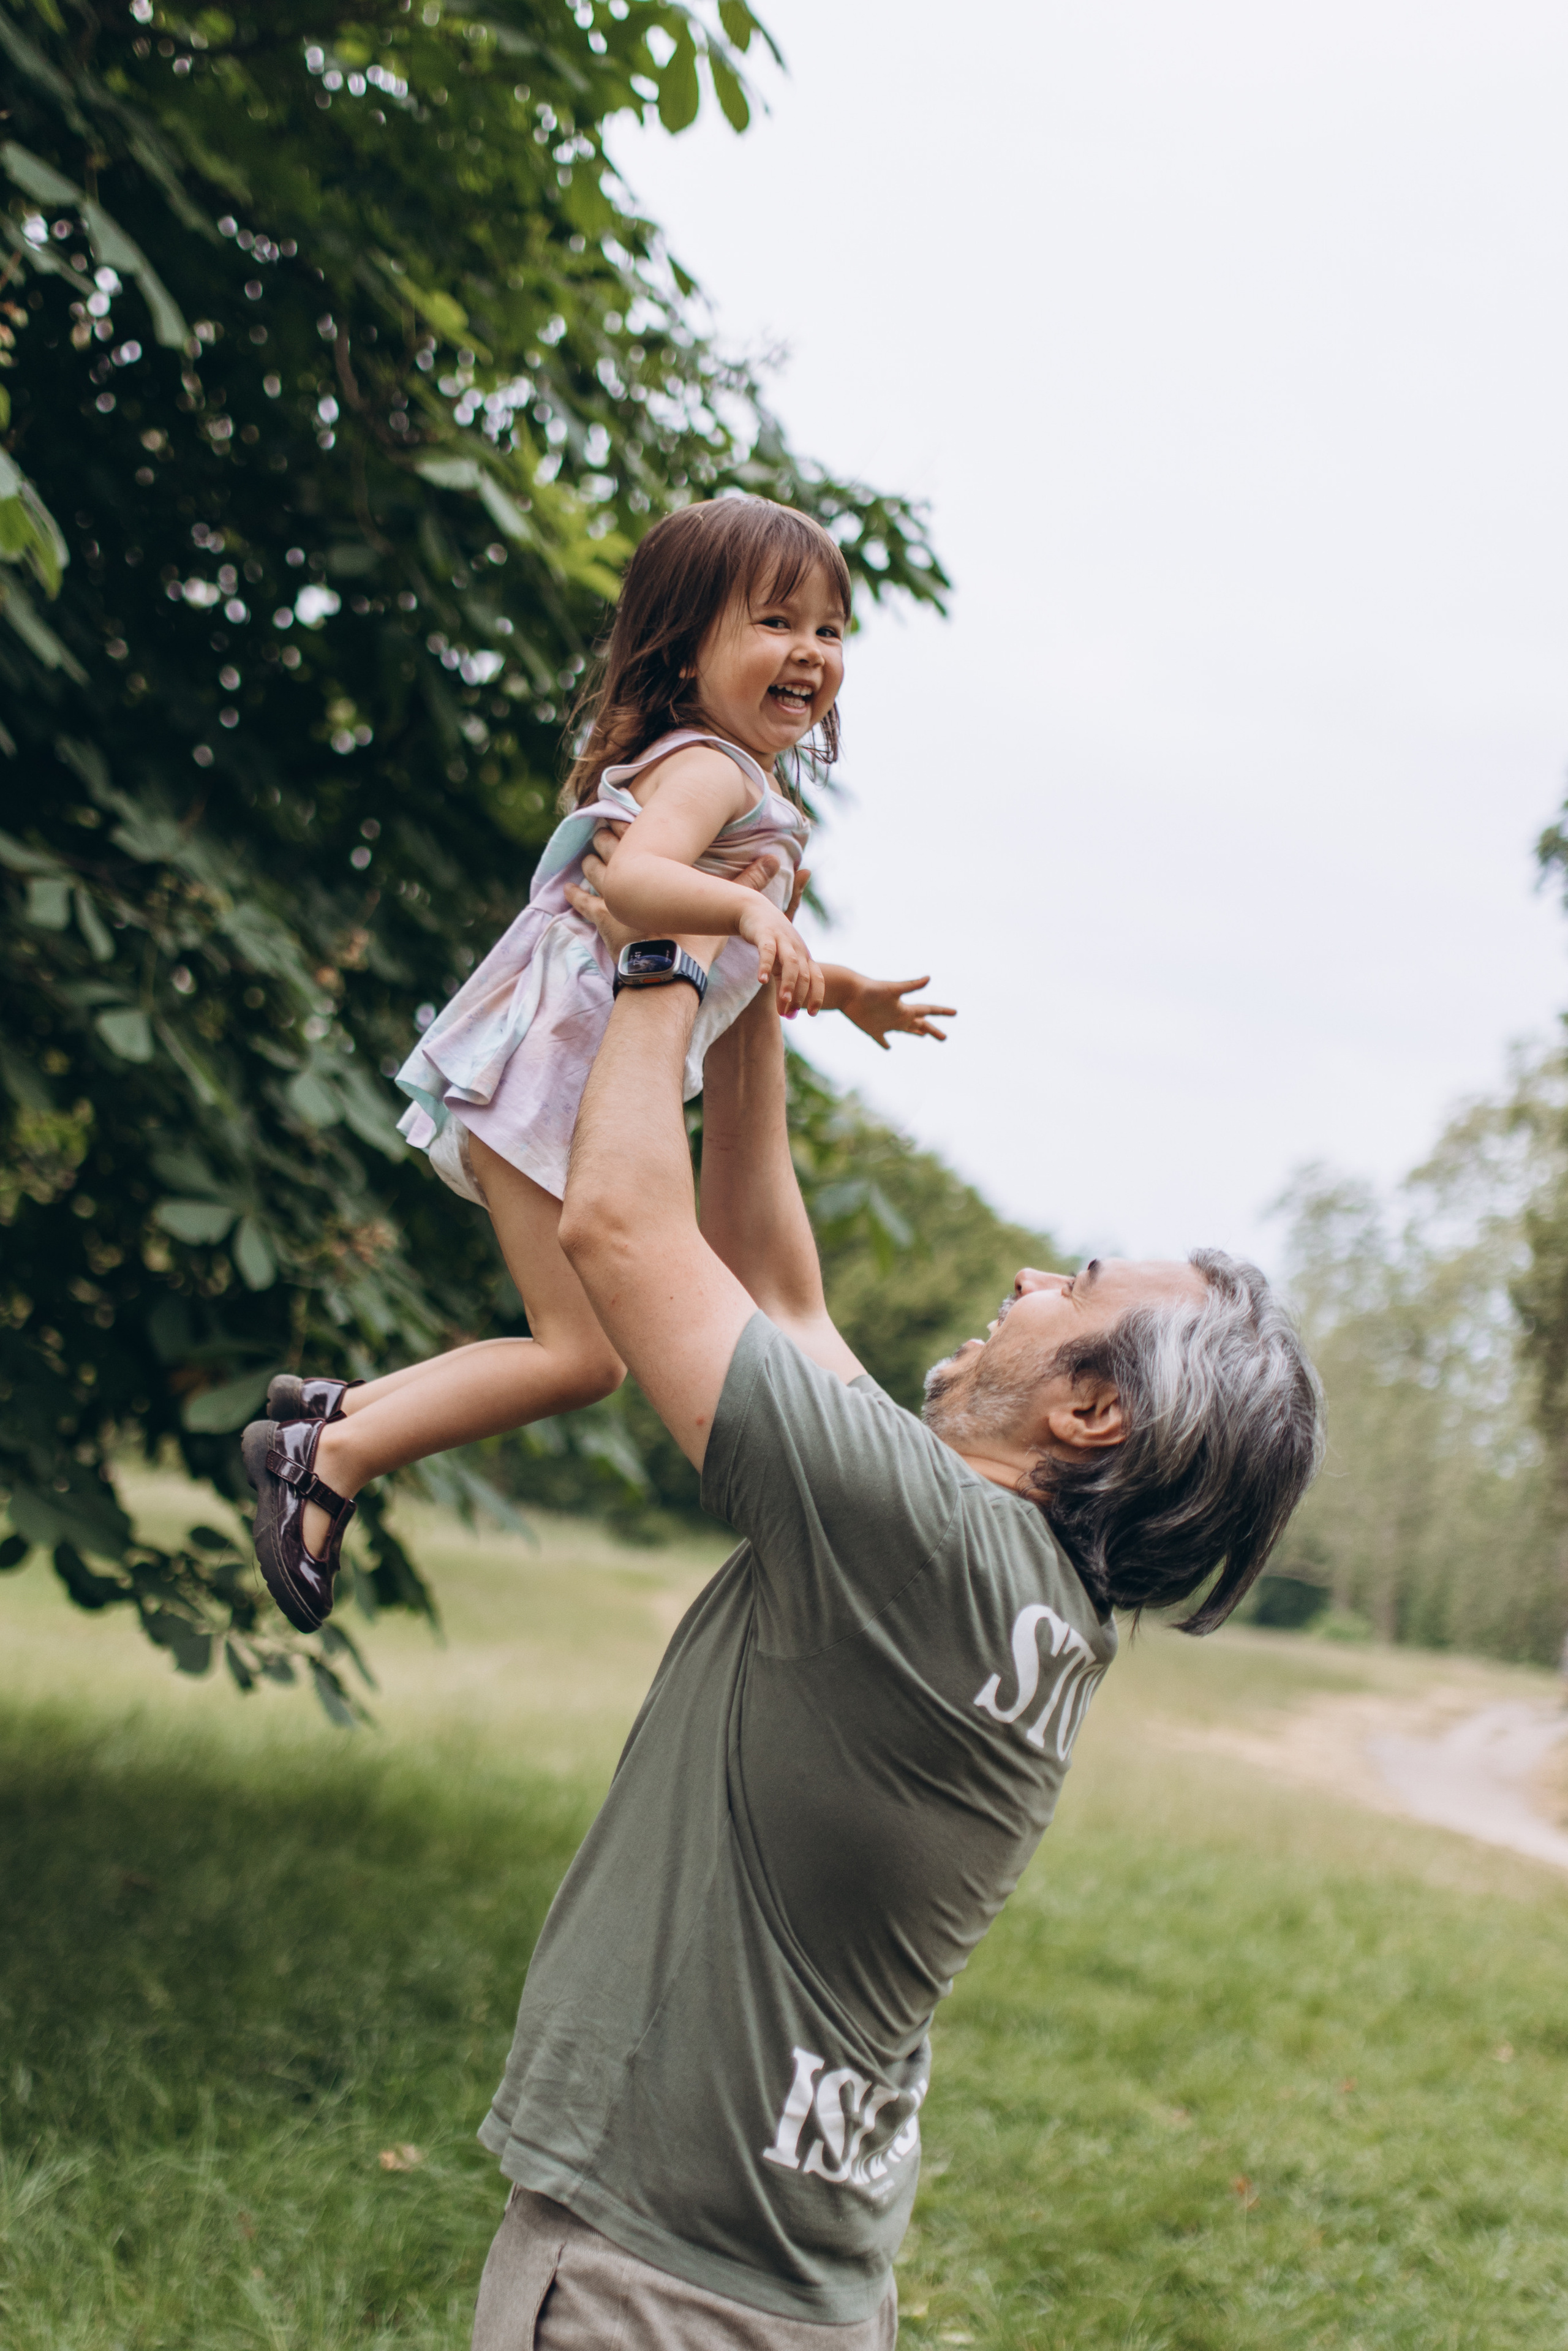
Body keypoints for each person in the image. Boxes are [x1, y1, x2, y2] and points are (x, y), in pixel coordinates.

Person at [463, 866, 1326, 2348]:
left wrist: (673, 932)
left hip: (648, 2283)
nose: (1027, 1272)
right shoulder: (1016, 1587)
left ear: (1091, 1408)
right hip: (797, 2284)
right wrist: (754, 990)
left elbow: (617, 1223)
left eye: (1077, 1281)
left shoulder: (915, 1542)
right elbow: (778, 1292)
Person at [241, 498, 954, 1635]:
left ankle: (335, 1415)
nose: (812, 652)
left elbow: (697, 912)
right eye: (777, 620)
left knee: (577, 1352)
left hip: (554, 1083)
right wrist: (741, 907)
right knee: (581, 1361)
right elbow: (632, 888)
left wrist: (842, 984)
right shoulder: (713, 769)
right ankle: (332, 1456)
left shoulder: (746, 786)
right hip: (546, 1078)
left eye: (831, 628)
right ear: (684, 643)